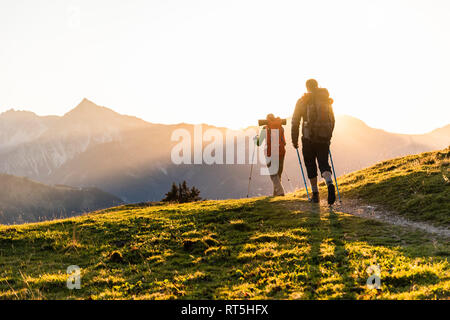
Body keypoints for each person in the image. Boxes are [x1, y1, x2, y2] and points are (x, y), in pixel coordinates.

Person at [291, 79, 336, 204]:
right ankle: (329, 183)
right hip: (324, 138)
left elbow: (295, 121)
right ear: (317, 86)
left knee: (310, 164)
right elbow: (332, 119)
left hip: (307, 139)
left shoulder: (302, 101)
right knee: (323, 163)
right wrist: (328, 136)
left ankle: (315, 194)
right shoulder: (325, 100)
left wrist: (294, 140)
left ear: (307, 87)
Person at [255, 114, 286, 196]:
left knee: (273, 174)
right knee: (278, 174)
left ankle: (280, 192)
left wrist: (256, 138)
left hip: (270, 153)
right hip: (281, 152)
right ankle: (276, 193)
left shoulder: (265, 128)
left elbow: (258, 142)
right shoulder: (281, 127)